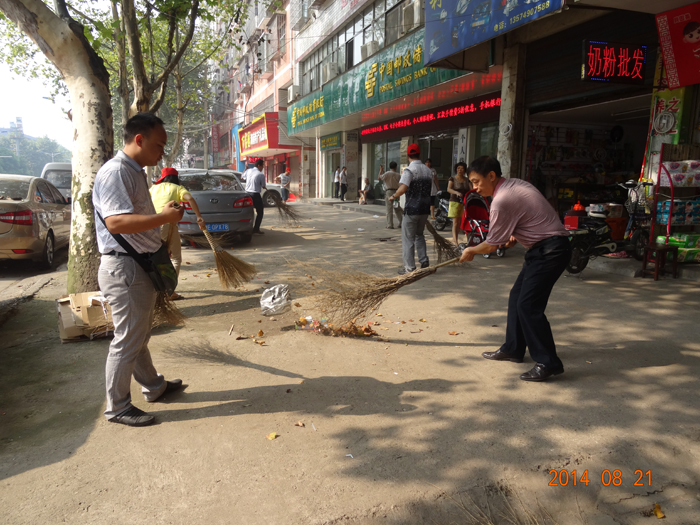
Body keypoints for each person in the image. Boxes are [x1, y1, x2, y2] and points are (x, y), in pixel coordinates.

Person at [93, 112, 185, 427]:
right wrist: (164, 218)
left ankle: (154, 386)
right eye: (159, 145)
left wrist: (158, 230)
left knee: (138, 334)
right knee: (128, 338)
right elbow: (116, 222)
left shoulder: (134, 171)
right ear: (139, 139)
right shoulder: (117, 172)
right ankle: (117, 407)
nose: (162, 152)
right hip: (125, 269)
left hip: (136, 265)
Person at [459, 156, 571, 382]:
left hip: (550, 252)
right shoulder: (514, 185)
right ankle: (513, 348)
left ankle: (548, 362)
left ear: (492, 176)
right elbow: (528, 216)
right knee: (516, 298)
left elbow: (491, 245)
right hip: (542, 249)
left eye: (476, 181)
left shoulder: (501, 199)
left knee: (528, 305)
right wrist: (514, 235)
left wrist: (471, 250)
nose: (475, 187)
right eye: (472, 182)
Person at [149, 167, 206, 299]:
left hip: (151, 224)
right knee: (174, 258)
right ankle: (169, 291)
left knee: (156, 257)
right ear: (176, 178)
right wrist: (198, 217)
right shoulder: (178, 188)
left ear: (163, 178)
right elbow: (190, 198)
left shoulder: (153, 188)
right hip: (167, 224)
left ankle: (156, 291)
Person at [389, 144, 433, 275]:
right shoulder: (428, 171)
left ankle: (409, 268)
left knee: (408, 239)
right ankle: (424, 260)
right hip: (424, 210)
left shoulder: (409, 170)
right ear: (419, 155)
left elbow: (403, 188)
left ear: (408, 156)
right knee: (419, 235)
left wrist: (393, 196)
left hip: (412, 210)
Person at [447, 162, 471, 246]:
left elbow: (471, 189)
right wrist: (456, 192)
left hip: (464, 203)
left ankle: (459, 239)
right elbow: (449, 189)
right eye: (458, 168)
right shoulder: (452, 179)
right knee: (455, 222)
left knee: (461, 222)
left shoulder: (467, 180)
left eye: (462, 168)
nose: (460, 170)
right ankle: (455, 240)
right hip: (455, 202)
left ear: (464, 170)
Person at [245, 158, 267, 234]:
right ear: (259, 165)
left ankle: (246, 228)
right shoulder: (261, 174)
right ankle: (256, 229)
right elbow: (263, 186)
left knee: (248, 212)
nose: (263, 168)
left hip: (247, 194)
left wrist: (245, 169)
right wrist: (264, 187)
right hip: (255, 195)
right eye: (262, 166)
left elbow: (242, 177)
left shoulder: (248, 171)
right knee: (260, 212)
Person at [379, 162, 403, 229]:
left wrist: (380, 171)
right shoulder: (398, 175)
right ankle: (401, 222)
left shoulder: (387, 173)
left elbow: (379, 178)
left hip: (389, 192)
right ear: (396, 167)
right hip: (396, 192)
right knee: (396, 207)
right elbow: (400, 185)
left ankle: (390, 224)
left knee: (389, 208)